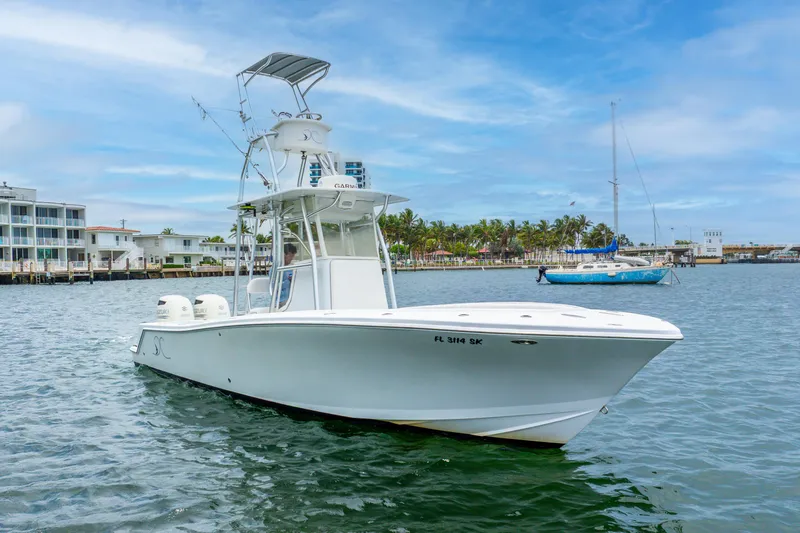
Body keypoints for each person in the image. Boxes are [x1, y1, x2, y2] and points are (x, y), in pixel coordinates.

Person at [279, 243, 297, 307]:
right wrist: (289, 281)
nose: (292, 258)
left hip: (291, 299)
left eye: (293, 256)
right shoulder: (276, 270)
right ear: (284, 255)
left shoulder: (291, 269)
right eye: (291, 256)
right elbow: (275, 289)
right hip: (281, 301)